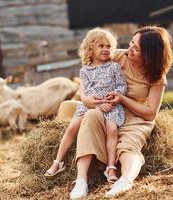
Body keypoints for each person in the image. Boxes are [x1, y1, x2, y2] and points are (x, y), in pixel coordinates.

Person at [68, 26, 173, 199]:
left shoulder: (157, 77)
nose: (129, 49)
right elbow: (89, 68)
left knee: (127, 146)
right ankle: (81, 181)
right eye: (132, 42)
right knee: (90, 115)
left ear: (149, 54)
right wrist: (87, 98)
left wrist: (123, 99)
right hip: (109, 110)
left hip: (137, 118)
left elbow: (150, 113)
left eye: (136, 48)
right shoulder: (116, 55)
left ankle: (125, 180)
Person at [45, 27, 127, 182]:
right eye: (101, 46)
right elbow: (87, 93)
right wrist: (98, 105)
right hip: (92, 104)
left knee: (111, 129)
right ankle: (58, 162)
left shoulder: (114, 67)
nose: (106, 49)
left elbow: (122, 85)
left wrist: (112, 98)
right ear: (90, 49)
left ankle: (111, 167)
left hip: (111, 106)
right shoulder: (85, 71)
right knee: (72, 127)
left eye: (109, 46)